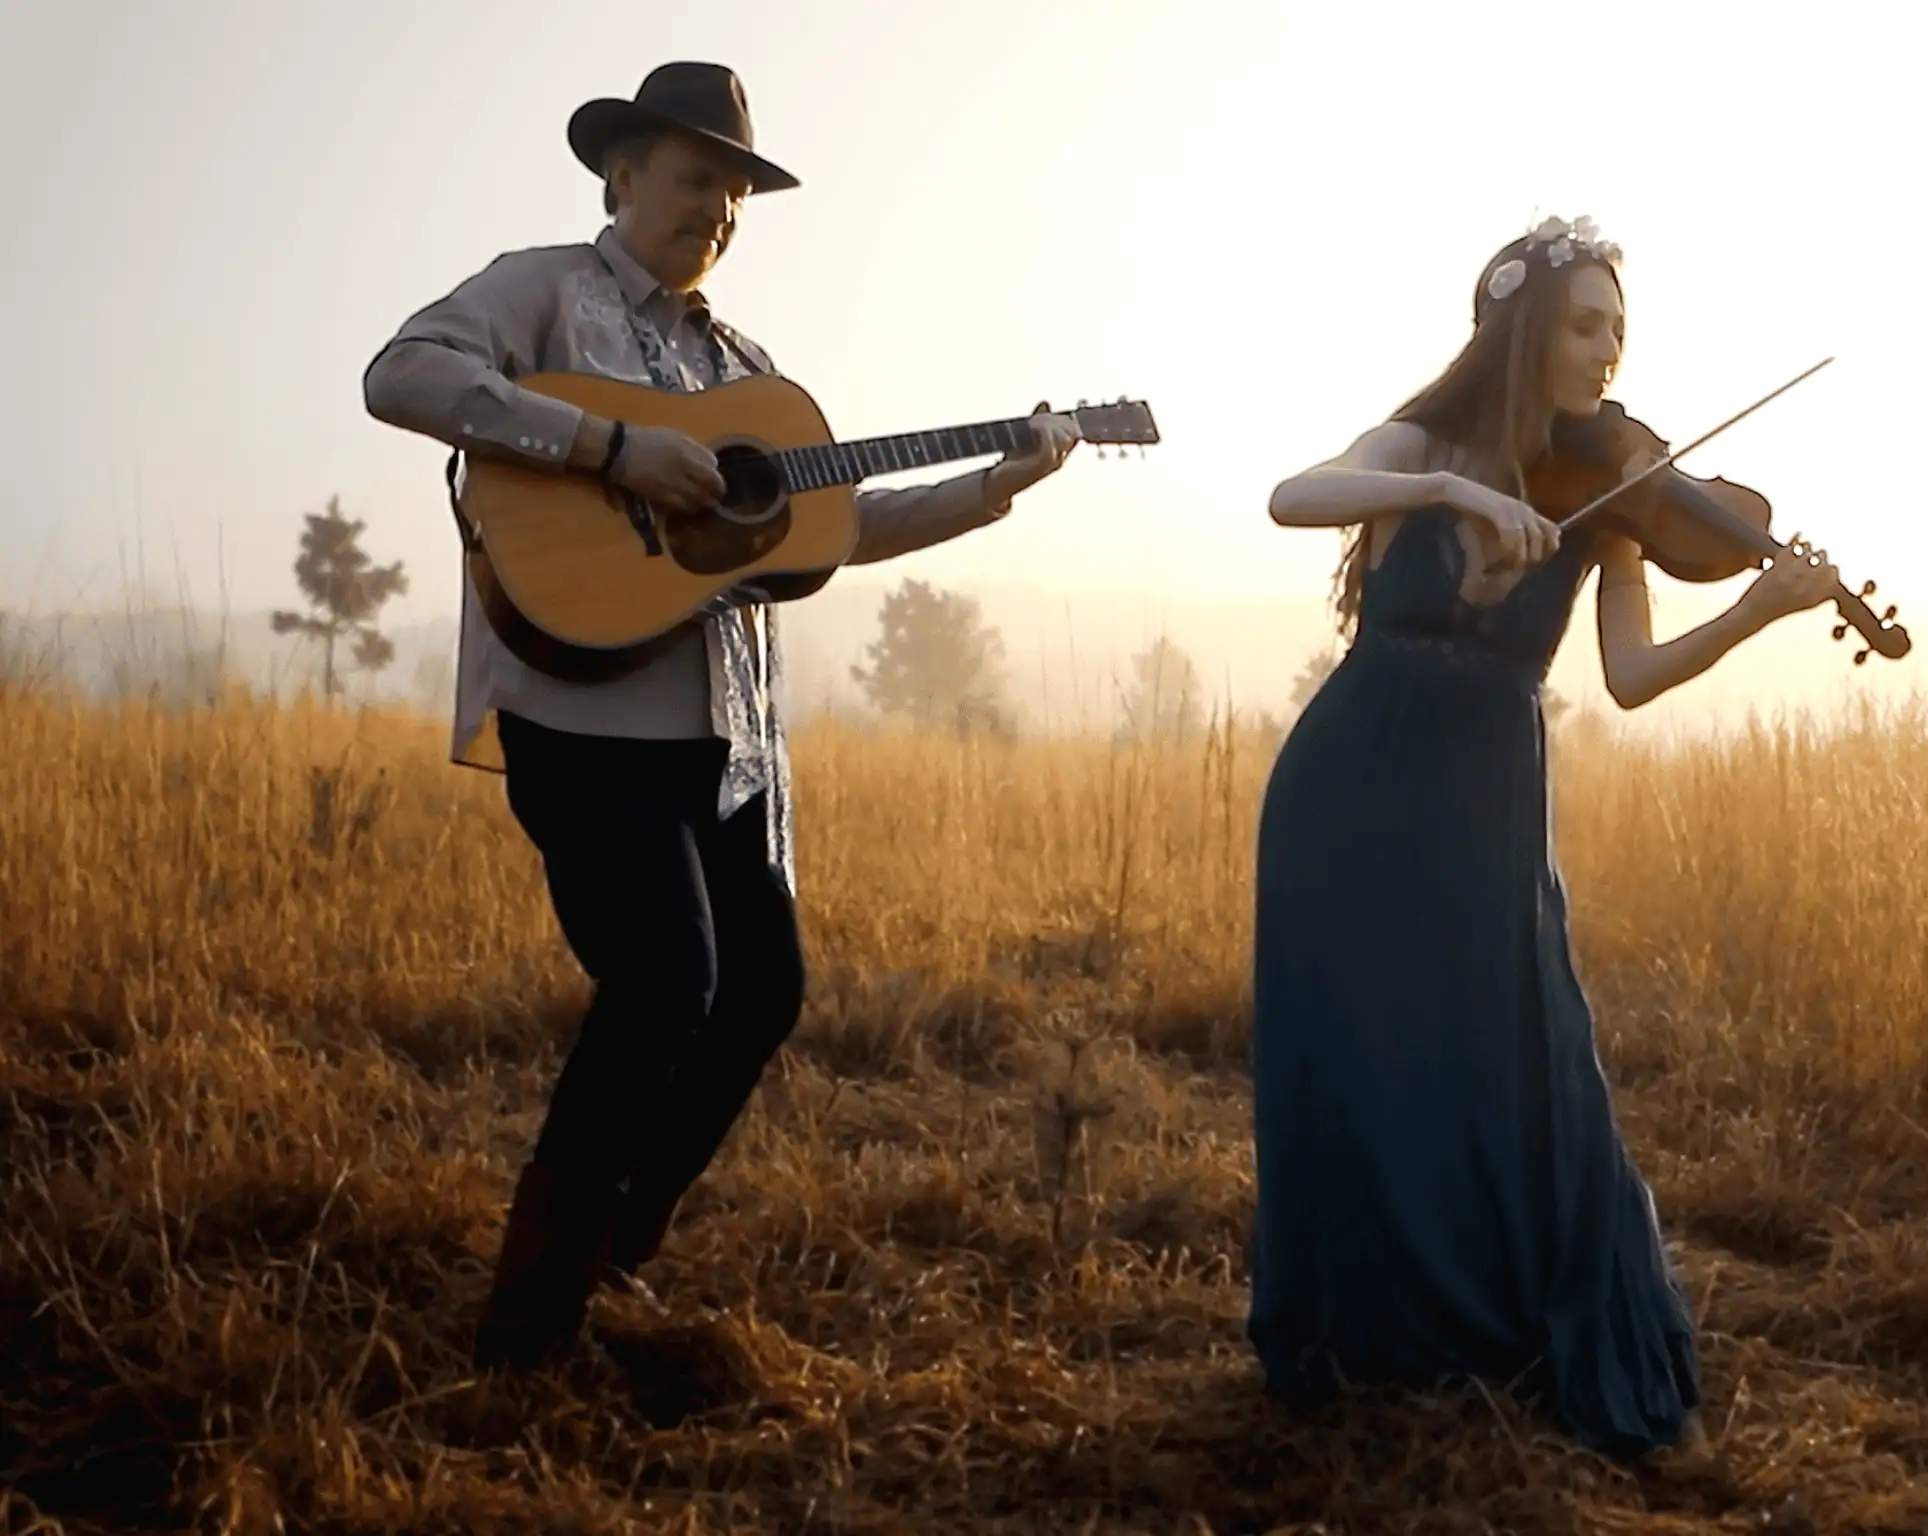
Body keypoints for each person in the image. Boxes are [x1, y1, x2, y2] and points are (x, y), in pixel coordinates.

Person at [361, 61, 1081, 1370]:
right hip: (585, 718)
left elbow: (835, 526)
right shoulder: (539, 292)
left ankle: (608, 1249)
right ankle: (525, 1334)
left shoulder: (747, 372)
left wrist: (996, 485)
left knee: (760, 994)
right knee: (662, 983)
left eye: (739, 193)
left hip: (721, 737)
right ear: (622, 174)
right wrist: (610, 449)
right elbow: (401, 374)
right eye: (699, 179)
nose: (721, 210)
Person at [1246, 215, 1840, 1456]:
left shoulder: (1609, 492)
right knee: (1358, 1056)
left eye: (1619, 329)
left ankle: (1500, 1329)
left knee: (1519, 1055)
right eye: (1583, 324)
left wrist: (1758, 612)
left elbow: (1630, 675)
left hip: (1482, 804)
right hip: (1348, 786)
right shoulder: (1423, 447)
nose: (1608, 351)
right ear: (1520, 329)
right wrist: (1448, 488)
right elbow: (1292, 496)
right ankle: (1368, 1336)